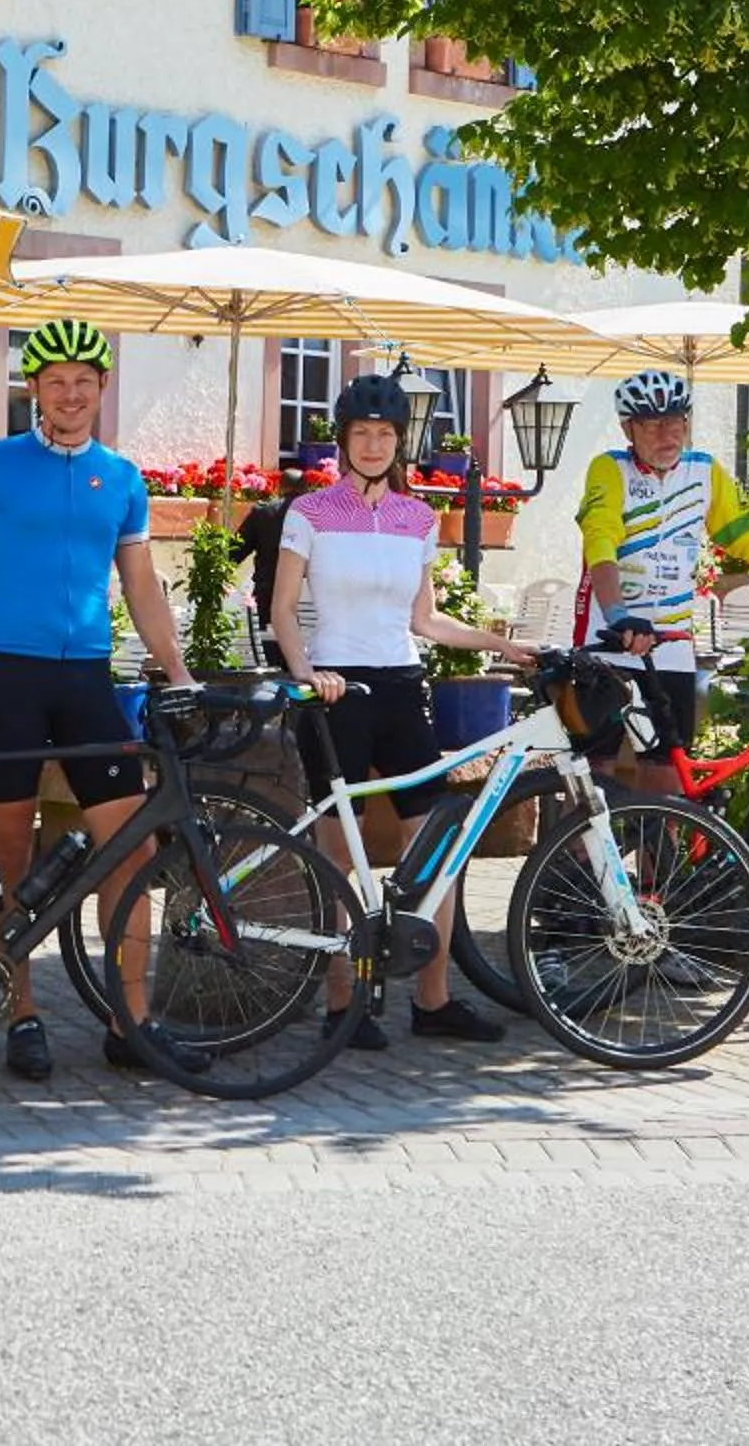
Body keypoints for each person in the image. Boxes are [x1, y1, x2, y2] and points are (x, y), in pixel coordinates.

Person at [0, 318, 205, 1082]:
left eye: (83, 383)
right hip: (11, 676)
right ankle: (20, 1009)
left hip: (88, 678)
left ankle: (135, 1020)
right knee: (9, 853)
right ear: (35, 390)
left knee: (133, 849)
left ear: (100, 391)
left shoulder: (122, 479)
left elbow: (143, 588)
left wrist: (180, 673)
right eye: (55, 382)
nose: (70, 395)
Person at [268, 373, 534, 1049]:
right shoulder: (311, 512)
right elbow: (281, 612)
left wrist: (502, 643)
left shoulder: (418, 518)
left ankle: (433, 999)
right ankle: (341, 1004)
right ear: (344, 439)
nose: (374, 444)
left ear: (400, 441)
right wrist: (308, 674)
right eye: (362, 433)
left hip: (400, 688)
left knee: (435, 850)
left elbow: (425, 618)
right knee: (340, 856)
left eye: (385, 434)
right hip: (336, 692)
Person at [574, 368, 749, 771]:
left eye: (676, 421)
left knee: (669, 782)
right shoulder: (609, 470)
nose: (667, 434)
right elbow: (600, 542)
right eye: (652, 423)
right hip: (607, 642)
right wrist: (618, 616)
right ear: (628, 429)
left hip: (671, 648)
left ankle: (657, 839)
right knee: (596, 779)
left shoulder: (704, 473)